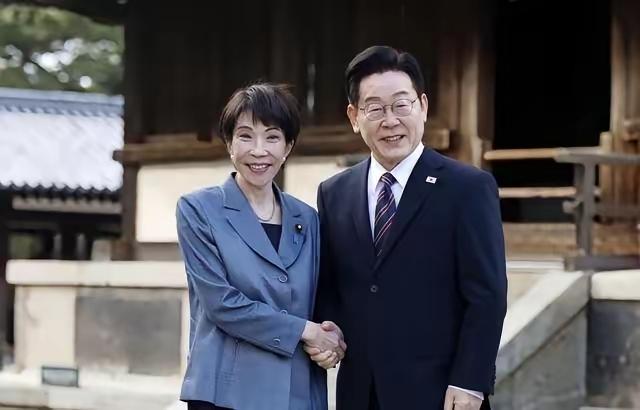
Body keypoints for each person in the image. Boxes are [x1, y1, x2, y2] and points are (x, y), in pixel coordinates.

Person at [309, 46, 508, 410]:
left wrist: (470, 381)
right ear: (354, 116)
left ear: (423, 107)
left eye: (401, 105)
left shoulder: (467, 188)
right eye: (375, 108)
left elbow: (487, 295)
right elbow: (333, 286)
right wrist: (328, 331)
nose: (390, 121)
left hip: (440, 393)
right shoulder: (335, 193)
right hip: (360, 393)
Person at [176, 83, 345, 410]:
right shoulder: (199, 210)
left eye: (272, 137)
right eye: (245, 136)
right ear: (229, 143)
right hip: (227, 394)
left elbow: (318, 298)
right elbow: (221, 304)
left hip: (297, 393)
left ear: (288, 146)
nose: (258, 150)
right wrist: (306, 331)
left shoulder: (307, 218)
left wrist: (330, 336)